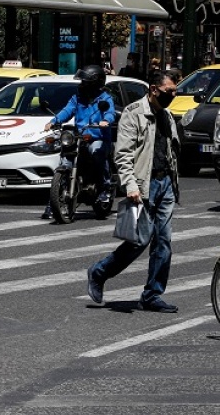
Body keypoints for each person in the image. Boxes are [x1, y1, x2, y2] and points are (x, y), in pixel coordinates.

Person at [86, 69, 182, 313]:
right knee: (139, 241)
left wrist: (173, 182)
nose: (173, 95)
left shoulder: (167, 115)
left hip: (165, 184)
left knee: (163, 243)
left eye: (175, 91)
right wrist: (130, 185)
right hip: (144, 185)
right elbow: (123, 155)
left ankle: (152, 295)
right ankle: (99, 272)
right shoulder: (134, 113)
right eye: (169, 91)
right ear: (154, 90)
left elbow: (170, 151)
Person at [41, 65, 117, 218]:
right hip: (79, 137)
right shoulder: (77, 98)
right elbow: (67, 111)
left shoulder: (105, 98)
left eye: (85, 82)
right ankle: (53, 201)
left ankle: (105, 188)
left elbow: (110, 113)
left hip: (97, 137)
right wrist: (54, 121)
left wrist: (106, 121)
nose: (82, 84)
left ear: (95, 83)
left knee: (96, 151)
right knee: (65, 161)